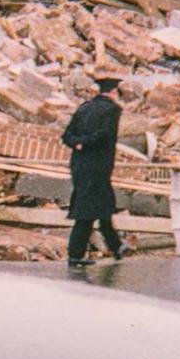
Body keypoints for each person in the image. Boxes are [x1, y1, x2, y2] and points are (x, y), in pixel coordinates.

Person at [61, 70, 126, 266]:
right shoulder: (112, 110)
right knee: (87, 212)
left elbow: (67, 135)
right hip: (98, 165)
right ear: (114, 92)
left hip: (79, 165)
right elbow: (104, 135)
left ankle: (116, 247)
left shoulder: (84, 108)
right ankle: (75, 255)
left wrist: (78, 143)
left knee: (102, 207)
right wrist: (86, 143)